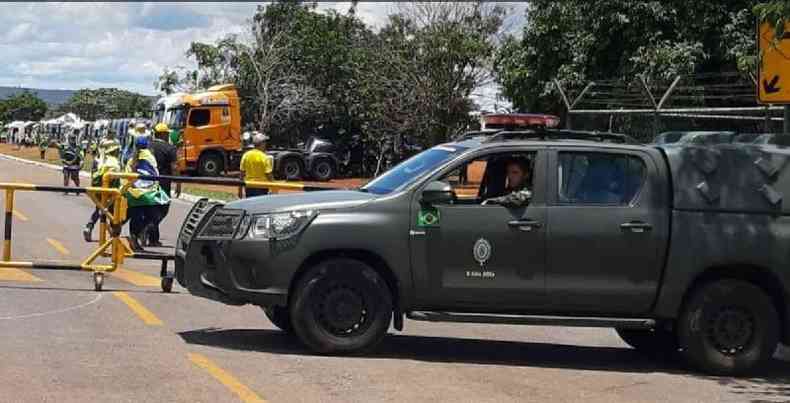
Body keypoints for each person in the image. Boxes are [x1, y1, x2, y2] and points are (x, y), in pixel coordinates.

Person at [123, 135, 169, 251]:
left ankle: (134, 239)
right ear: (147, 145)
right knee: (155, 215)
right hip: (149, 194)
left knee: (135, 217)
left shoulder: (130, 159)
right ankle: (142, 231)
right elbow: (155, 174)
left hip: (134, 193)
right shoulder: (150, 157)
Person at [83, 139, 122, 242]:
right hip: (111, 190)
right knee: (113, 212)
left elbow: (93, 175)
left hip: (97, 189)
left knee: (99, 209)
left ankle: (89, 226)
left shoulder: (97, 160)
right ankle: (114, 234)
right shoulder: (113, 162)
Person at [146, 123, 177, 247]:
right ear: (163, 134)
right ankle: (149, 228)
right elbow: (174, 167)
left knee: (151, 208)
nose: (168, 134)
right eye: (167, 133)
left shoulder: (148, 147)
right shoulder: (170, 148)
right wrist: (178, 183)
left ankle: (153, 238)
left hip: (147, 182)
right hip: (163, 183)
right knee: (163, 209)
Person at [240, 133, 274, 197]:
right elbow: (269, 175)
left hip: (249, 186)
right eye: (265, 143)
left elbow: (241, 174)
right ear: (262, 144)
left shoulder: (246, 155)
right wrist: (274, 188)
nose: (266, 145)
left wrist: (240, 190)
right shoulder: (264, 157)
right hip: (261, 187)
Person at [59, 130, 83, 195]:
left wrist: (81, 163)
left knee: (74, 177)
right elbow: (62, 156)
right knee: (66, 177)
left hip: (75, 165)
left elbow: (81, 157)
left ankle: (78, 189)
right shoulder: (65, 146)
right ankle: (66, 190)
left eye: (74, 138)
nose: (73, 140)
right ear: (69, 139)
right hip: (66, 165)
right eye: (71, 138)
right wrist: (64, 161)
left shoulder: (78, 147)